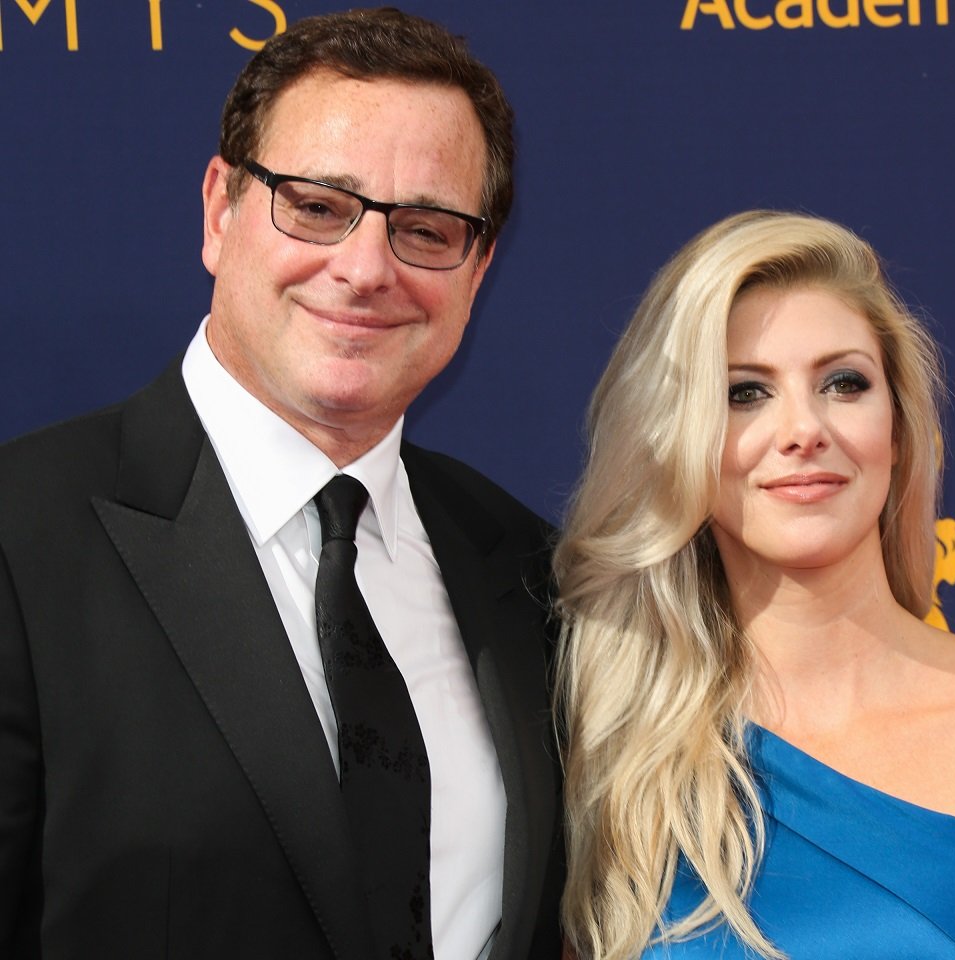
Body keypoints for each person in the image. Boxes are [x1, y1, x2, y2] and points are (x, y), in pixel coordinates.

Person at [0, 9, 561, 959]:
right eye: (314, 205)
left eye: (426, 229)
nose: (363, 268)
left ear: (478, 269)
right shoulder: (22, 537)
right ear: (219, 211)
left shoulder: (531, 572)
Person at [554, 210, 955, 959]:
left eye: (843, 383)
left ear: (897, 425)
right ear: (675, 439)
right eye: (744, 394)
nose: (804, 429)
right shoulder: (604, 754)